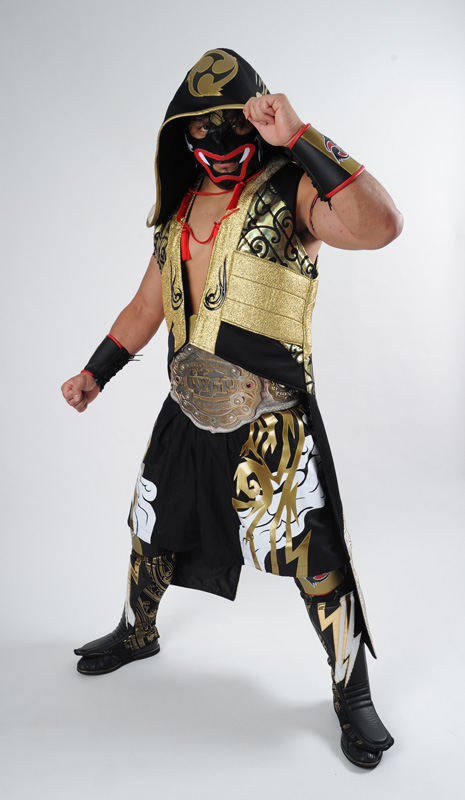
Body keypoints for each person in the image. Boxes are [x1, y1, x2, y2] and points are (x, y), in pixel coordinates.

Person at [61, 48, 403, 769]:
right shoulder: (179, 212)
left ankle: (351, 692)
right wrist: (97, 370)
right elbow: (147, 305)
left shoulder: (296, 191)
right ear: (181, 132)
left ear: (258, 121)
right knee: (150, 528)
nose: (216, 140)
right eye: (201, 127)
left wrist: (300, 135)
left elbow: (381, 226)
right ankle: (138, 631)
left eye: (233, 124)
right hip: (185, 409)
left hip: (272, 420)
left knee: (316, 558)